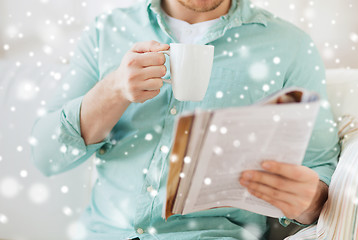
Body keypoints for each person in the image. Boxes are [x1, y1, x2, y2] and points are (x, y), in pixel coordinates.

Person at [30, 0, 340, 239]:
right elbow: (46, 158)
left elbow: (320, 168)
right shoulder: (106, 31)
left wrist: (309, 202)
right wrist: (113, 91)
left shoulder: (290, 46)